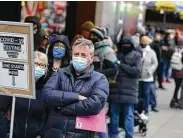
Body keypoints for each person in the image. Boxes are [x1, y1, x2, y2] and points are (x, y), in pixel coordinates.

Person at [42, 38, 109, 138]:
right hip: (54, 133)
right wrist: (76, 97)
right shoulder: (60, 73)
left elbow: (95, 105)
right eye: (76, 54)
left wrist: (62, 108)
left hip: (80, 134)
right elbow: (46, 95)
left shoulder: (100, 79)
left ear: (91, 57)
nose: (79, 58)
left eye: (83, 55)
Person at [0, 51, 49, 138]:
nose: (38, 67)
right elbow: (1, 109)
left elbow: (49, 115)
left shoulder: (46, 89)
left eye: (42, 65)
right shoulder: (15, 84)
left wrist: (41, 134)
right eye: (35, 63)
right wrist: (5, 134)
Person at [108, 33, 142, 138]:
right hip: (120, 90)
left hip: (124, 91)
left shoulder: (133, 55)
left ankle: (120, 135)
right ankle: (119, 135)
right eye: (124, 43)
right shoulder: (118, 54)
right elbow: (114, 70)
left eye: (127, 43)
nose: (125, 45)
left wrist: (121, 65)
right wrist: (127, 69)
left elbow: (136, 71)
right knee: (121, 115)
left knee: (122, 115)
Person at [139, 36, 158, 119]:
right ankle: (139, 109)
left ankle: (146, 109)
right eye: (142, 43)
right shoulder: (138, 50)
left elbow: (155, 63)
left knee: (146, 94)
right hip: (139, 77)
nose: (143, 45)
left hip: (147, 77)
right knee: (139, 94)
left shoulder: (151, 52)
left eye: (144, 44)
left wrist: (149, 71)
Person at [170, 37, 183, 108]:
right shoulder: (182, 51)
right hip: (180, 71)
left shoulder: (174, 49)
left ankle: (174, 100)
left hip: (174, 71)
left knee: (177, 87)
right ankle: (175, 100)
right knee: (179, 87)